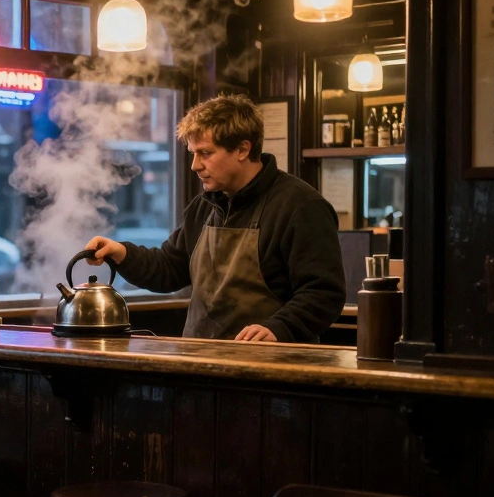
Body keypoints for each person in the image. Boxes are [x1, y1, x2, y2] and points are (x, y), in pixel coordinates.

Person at [86, 94, 344, 342]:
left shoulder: (301, 207)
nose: (195, 165)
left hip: (271, 370)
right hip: (200, 362)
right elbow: (170, 268)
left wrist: (280, 328)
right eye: (192, 153)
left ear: (242, 149)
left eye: (205, 153)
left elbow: (323, 293)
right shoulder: (204, 206)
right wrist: (121, 253)